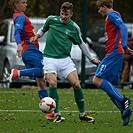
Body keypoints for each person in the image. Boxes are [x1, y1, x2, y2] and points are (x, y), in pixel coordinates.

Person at [30, 2, 100, 123]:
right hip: (49, 59)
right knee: (52, 83)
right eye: (62, 14)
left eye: (66, 14)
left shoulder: (74, 27)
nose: (63, 17)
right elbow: (43, 29)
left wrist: (91, 59)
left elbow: (81, 44)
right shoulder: (51, 20)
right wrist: (36, 36)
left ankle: (82, 114)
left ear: (71, 14)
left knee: (77, 85)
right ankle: (57, 114)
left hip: (65, 60)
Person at [9, 0, 54, 120]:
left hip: (28, 51)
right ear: (16, 4)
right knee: (44, 70)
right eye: (23, 2)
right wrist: (18, 44)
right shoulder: (20, 17)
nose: (26, 4)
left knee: (41, 82)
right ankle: (18, 73)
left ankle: (49, 113)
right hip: (30, 49)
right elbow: (17, 32)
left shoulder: (17, 16)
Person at [93, 0, 133, 126]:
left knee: (96, 80)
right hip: (114, 52)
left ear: (104, 7)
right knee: (108, 84)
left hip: (114, 53)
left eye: (99, 8)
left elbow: (123, 27)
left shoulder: (111, 15)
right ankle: (124, 111)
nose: (99, 11)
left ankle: (123, 101)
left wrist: (125, 44)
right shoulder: (114, 15)